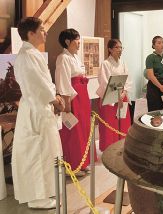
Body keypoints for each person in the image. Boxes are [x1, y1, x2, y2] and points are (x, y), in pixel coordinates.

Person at [11, 17, 64, 209]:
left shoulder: (32, 53)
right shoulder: (26, 56)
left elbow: (44, 82)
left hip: (41, 107)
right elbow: (36, 85)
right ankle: (38, 198)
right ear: (30, 33)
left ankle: (45, 192)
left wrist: (55, 96)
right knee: (37, 152)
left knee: (45, 150)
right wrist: (54, 99)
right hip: (35, 108)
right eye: (42, 29)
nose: (45, 32)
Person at [55, 28, 96, 176]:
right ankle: (72, 165)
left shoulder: (75, 57)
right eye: (76, 39)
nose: (79, 42)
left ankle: (82, 162)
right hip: (72, 98)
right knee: (73, 131)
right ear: (67, 41)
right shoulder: (63, 58)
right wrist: (67, 104)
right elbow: (63, 82)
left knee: (83, 129)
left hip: (82, 96)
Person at [96, 39, 132, 151]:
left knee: (123, 122)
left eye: (121, 47)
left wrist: (124, 92)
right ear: (110, 49)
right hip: (110, 98)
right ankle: (109, 149)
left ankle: (122, 147)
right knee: (110, 124)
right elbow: (104, 82)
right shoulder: (105, 64)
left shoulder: (123, 63)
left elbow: (128, 80)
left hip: (122, 96)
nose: (120, 50)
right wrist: (117, 95)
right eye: (117, 47)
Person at [145, 36, 163, 112]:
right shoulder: (150, 58)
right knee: (155, 112)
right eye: (159, 43)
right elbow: (150, 76)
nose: (162, 44)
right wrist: (161, 87)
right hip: (154, 87)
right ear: (154, 45)